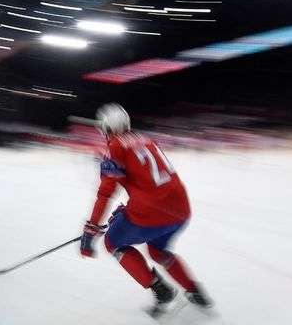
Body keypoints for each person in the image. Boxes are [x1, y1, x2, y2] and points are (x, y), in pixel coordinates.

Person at [80, 103, 212, 313]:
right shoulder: (147, 140)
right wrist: (127, 210)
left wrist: (91, 228)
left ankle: (162, 292)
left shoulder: (115, 146)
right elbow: (151, 183)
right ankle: (196, 292)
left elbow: (106, 192)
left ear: (106, 129)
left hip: (150, 212)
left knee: (112, 242)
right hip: (181, 210)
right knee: (158, 251)